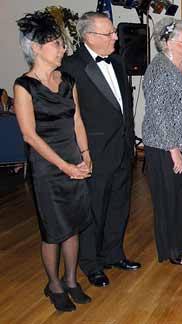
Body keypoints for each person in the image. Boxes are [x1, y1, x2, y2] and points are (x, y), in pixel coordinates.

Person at [14, 11, 92, 312]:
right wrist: (65, 166)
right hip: (47, 169)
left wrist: (85, 156)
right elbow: (30, 136)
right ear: (36, 48)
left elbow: (78, 121)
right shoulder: (24, 86)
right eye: (57, 44)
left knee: (72, 226)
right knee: (53, 229)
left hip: (74, 161)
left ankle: (71, 280)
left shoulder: (67, 80)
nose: (63, 49)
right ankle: (54, 284)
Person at [61, 12, 140, 287]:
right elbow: (69, 116)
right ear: (90, 37)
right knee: (93, 210)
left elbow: (124, 108)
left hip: (122, 147)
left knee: (119, 205)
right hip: (93, 152)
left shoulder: (118, 62)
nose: (116, 37)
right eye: (109, 33)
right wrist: (79, 154)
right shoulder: (71, 66)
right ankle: (91, 264)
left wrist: (130, 141)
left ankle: (114, 254)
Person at [142, 18, 182, 265]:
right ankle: (170, 248)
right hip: (164, 145)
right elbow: (159, 112)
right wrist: (173, 150)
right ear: (168, 43)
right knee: (168, 197)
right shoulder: (158, 68)